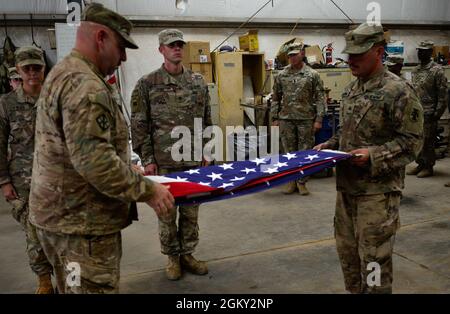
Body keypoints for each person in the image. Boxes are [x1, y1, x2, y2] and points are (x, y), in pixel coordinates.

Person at [28, 3, 174, 294]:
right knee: (88, 288)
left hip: (59, 223)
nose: (122, 57)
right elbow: (95, 163)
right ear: (101, 38)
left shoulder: (64, 72)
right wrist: (148, 189)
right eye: (121, 47)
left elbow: (77, 150)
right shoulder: (86, 85)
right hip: (82, 231)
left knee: (72, 286)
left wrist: (124, 165)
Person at [314, 23, 423, 293]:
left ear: (378, 51)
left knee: (374, 262)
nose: (351, 60)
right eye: (349, 54)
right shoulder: (352, 90)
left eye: (358, 54)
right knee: (348, 257)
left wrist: (373, 155)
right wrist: (328, 146)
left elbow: (412, 142)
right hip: (347, 191)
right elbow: (346, 134)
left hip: (377, 195)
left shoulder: (399, 91)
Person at [131, 29, 211, 281]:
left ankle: (187, 253)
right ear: (161, 50)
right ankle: (172, 257)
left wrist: (208, 150)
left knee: (190, 212)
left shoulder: (198, 82)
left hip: (192, 160)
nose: (176, 48)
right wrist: (147, 160)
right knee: (166, 213)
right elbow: (139, 125)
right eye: (171, 45)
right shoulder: (147, 84)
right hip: (163, 162)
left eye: (179, 44)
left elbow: (207, 119)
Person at [0, 46, 54, 294]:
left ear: (43, 69)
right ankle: (43, 280)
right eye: (27, 68)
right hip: (25, 180)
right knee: (34, 235)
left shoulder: (56, 97)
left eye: (37, 67)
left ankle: (68, 279)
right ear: (19, 71)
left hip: (59, 179)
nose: (32, 72)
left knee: (64, 233)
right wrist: (4, 181)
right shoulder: (7, 103)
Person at [271, 42, 326, 195]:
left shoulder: (312, 75)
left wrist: (319, 119)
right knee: (288, 152)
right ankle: (290, 181)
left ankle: (302, 182)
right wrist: (274, 118)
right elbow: (276, 98)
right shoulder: (281, 75)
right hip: (286, 119)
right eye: (289, 56)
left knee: (305, 152)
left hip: (306, 119)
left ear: (302, 54)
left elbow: (320, 98)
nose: (292, 58)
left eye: (295, 55)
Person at [406, 40, 448, 178]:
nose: (420, 53)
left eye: (424, 51)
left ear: (430, 52)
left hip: (430, 111)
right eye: (419, 50)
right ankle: (420, 163)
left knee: (428, 141)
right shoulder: (416, 70)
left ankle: (428, 166)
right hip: (416, 111)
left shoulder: (437, 70)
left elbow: (442, 93)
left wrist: (438, 113)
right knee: (417, 140)